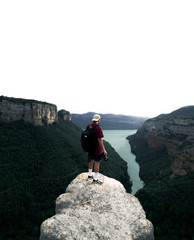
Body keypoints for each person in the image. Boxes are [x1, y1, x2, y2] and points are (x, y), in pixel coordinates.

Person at [88, 114, 107, 184]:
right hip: (96, 149)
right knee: (97, 163)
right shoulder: (98, 128)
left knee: (91, 160)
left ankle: (90, 175)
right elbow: (100, 140)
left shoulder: (89, 126)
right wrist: (103, 150)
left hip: (90, 147)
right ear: (98, 120)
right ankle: (95, 179)